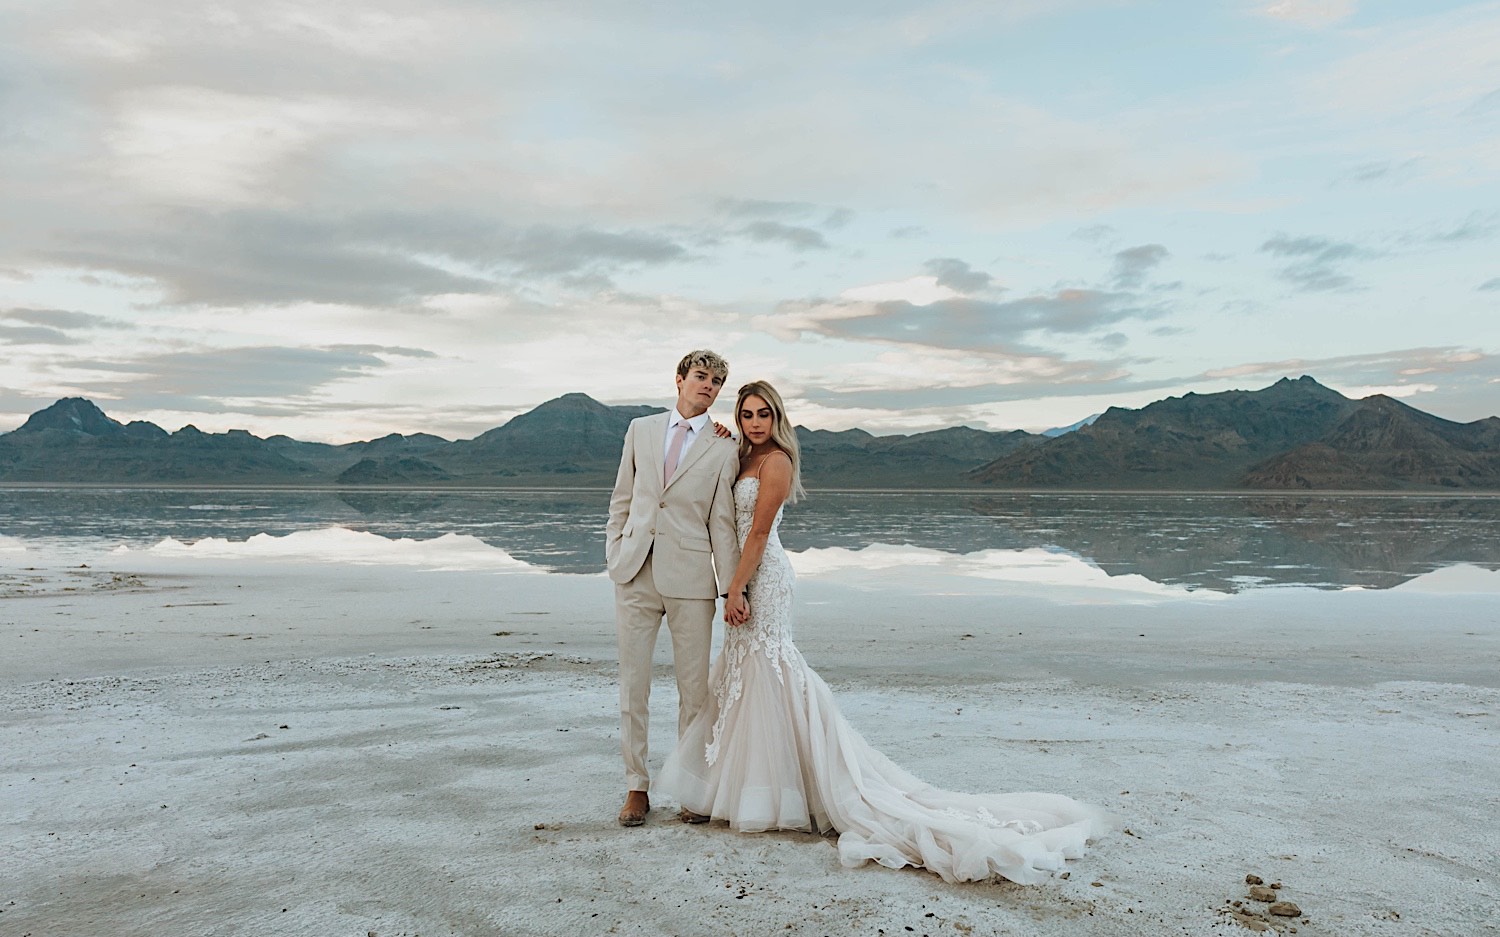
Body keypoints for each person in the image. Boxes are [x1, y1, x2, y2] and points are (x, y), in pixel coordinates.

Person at [655, 380, 1115, 883]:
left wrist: (736, 589)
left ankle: (794, 790)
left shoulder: (777, 461)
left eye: (764, 413)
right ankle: (748, 786)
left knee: (770, 668)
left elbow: (761, 531)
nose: (756, 422)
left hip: (763, 579)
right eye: (747, 414)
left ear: (778, 417)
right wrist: (721, 438)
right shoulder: (740, 456)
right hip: (745, 576)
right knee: (747, 674)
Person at [606, 350, 742, 827]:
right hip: (635, 572)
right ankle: (636, 787)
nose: (709, 386)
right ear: (680, 379)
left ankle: (689, 788)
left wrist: (731, 589)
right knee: (633, 686)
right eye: (701, 377)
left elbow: (721, 523)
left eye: (717, 382)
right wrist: (615, 553)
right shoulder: (640, 430)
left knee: (694, 692)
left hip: (691, 580)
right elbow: (622, 498)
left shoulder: (725, 447)